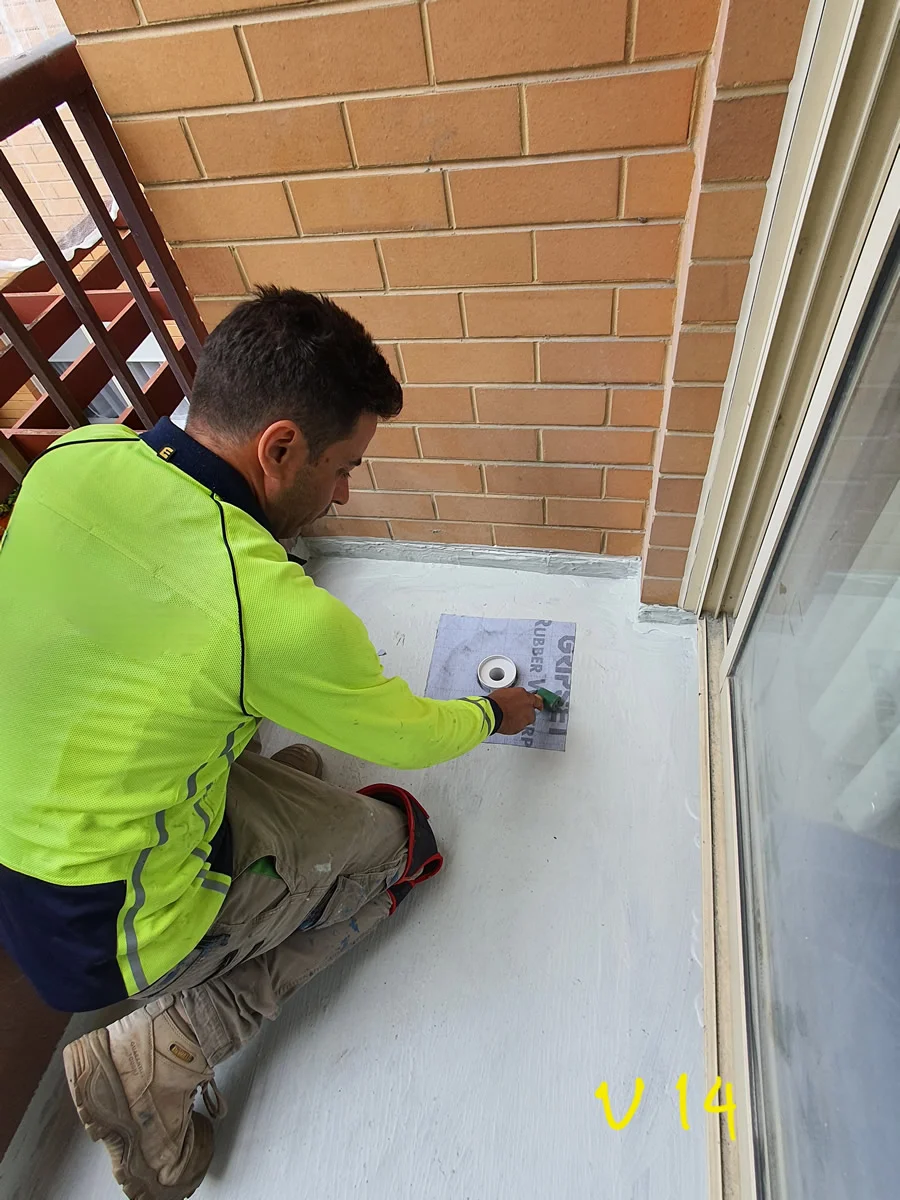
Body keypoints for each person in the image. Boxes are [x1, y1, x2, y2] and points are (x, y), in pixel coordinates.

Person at [0, 287, 542, 1200]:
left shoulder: (73, 459)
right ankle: (157, 1053)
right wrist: (494, 714)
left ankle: (247, 819)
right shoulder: (271, 615)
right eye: (343, 466)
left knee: (249, 729)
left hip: (26, 839)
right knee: (398, 846)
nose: (343, 493)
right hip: (105, 927)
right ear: (280, 446)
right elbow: (410, 736)